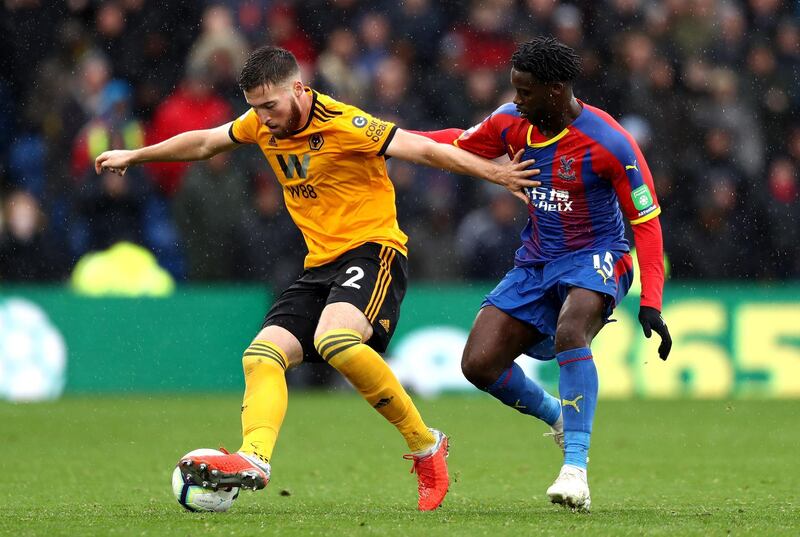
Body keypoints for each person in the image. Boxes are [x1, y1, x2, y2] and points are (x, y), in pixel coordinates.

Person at [94, 45, 539, 512]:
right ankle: (255, 459)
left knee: (336, 340)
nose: (262, 118)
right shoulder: (261, 123)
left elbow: (422, 148)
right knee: (261, 356)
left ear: (300, 90)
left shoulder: (345, 123)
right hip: (320, 264)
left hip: (374, 252)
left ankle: (427, 445)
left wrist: (494, 172)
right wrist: (137, 154)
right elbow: (205, 143)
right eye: (254, 108)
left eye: (270, 106)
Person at [416, 37, 672, 512]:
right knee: (478, 364)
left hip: (599, 256)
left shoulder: (610, 143)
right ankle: (558, 417)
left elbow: (646, 223)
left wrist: (652, 300)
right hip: (536, 261)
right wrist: (390, 140)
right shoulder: (510, 123)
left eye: (526, 91)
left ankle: (575, 469)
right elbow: (456, 144)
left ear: (557, 90)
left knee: (570, 331)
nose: (517, 99)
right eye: (515, 89)